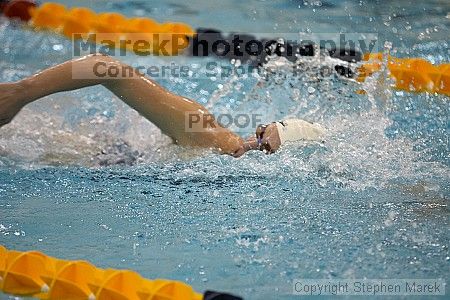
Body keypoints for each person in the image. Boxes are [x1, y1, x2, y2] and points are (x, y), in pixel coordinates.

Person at [0, 54, 325, 157]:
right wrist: (20, 93)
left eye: (263, 148)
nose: (250, 146)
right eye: (259, 138)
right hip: (111, 160)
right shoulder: (209, 135)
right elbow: (108, 68)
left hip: (118, 159)